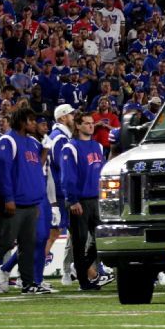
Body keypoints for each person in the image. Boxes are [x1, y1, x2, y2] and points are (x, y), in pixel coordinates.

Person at [0, 106, 48, 295]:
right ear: (22, 122)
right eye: (31, 120)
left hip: (30, 203)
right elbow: (2, 173)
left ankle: (28, 283)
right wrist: (8, 198)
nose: (34, 124)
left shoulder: (33, 143)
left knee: (28, 244)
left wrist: (38, 200)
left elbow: (35, 172)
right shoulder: (7, 141)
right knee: (5, 242)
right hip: (12, 203)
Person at [63, 111, 108, 290]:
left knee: (103, 237)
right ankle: (84, 281)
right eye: (87, 123)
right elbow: (68, 177)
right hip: (79, 200)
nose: (91, 126)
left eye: (92, 123)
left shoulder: (98, 147)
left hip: (96, 199)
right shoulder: (71, 147)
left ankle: (80, 267)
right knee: (79, 241)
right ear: (78, 126)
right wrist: (73, 200)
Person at [45, 103, 76, 283]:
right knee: (52, 233)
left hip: (60, 191)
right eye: (71, 115)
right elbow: (62, 166)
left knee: (77, 233)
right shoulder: (59, 138)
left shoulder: (61, 136)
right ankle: (29, 273)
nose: (74, 118)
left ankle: (70, 271)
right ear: (63, 117)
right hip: (59, 192)